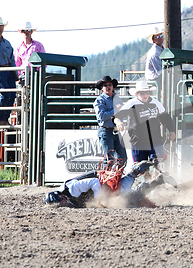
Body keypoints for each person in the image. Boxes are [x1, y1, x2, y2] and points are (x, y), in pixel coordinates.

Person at [44, 160, 176, 208]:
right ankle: (156, 179)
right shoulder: (68, 198)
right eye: (59, 203)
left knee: (124, 194)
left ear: (60, 195)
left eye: (60, 200)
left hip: (103, 186)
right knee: (130, 199)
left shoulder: (72, 189)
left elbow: (93, 181)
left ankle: (138, 171)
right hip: (104, 189)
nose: (62, 202)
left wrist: (98, 200)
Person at [114, 80, 176, 163]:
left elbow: (165, 118)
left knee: (157, 162)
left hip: (155, 140)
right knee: (140, 167)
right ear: (137, 94)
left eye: (147, 92)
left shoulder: (155, 103)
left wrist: (172, 130)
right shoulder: (131, 104)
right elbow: (117, 116)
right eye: (142, 93)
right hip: (138, 142)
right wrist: (118, 122)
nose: (145, 95)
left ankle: (157, 174)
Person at [93, 76, 128, 165]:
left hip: (116, 131)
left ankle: (117, 178)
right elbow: (102, 117)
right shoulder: (99, 100)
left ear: (113, 86)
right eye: (105, 85)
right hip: (106, 130)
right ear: (102, 87)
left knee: (122, 158)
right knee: (109, 160)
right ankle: (108, 178)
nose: (108, 87)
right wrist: (116, 110)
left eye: (110, 85)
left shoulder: (117, 99)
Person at [145, 28, 164, 92]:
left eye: (161, 35)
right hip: (154, 80)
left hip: (159, 78)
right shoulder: (154, 53)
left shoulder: (162, 49)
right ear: (153, 40)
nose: (159, 38)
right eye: (157, 36)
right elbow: (159, 72)